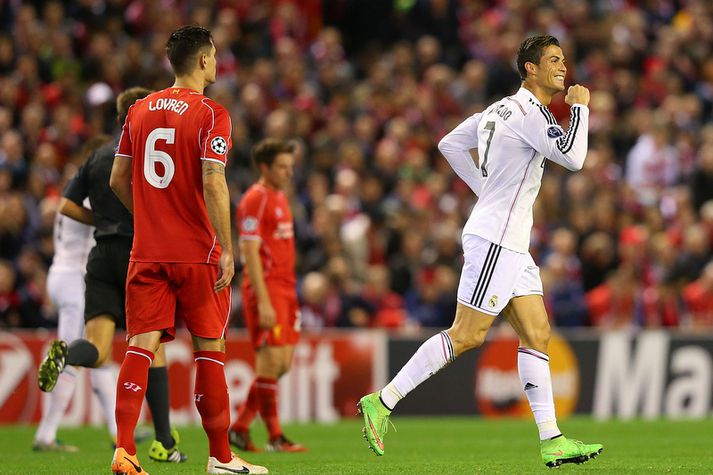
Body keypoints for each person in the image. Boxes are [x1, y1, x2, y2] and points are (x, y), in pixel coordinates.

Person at [357, 35, 604, 468]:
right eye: (552, 61)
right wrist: (580, 108)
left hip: (511, 242)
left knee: (537, 332)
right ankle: (383, 400)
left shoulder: (497, 110)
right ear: (529, 69)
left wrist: (483, 188)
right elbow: (574, 158)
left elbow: (449, 144)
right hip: (495, 240)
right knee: (468, 334)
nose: (563, 68)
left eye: (564, 60)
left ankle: (552, 440)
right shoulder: (530, 113)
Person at [108, 25, 267, 475]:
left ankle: (125, 450)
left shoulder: (138, 110)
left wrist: (152, 218)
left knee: (139, 347)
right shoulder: (212, 113)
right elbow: (214, 179)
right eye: (214, 56)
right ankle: (219, 458)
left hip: (148, 251)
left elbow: (118, 180)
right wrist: (229, 249)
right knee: (209, 349)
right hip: (198, 252)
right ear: (202, 61)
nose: (216, 64)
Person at [37, 88, 187, 463]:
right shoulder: (154, 153)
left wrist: (101, 221)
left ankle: (67, 355)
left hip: (100, 256)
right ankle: (164, 442)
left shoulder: (97, 156)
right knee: (155, 347)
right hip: (141, 255)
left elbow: (67, 204)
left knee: (99, 348)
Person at [33, 135, 117, 453]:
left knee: (99, 354)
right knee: (70, 355)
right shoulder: (89, 188)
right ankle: (46, 433)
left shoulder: (72, 186)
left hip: (63, 274)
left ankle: (116, 429)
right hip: (74, 279)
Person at [229, 138, 306, 453]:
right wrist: (262, 300)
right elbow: (248, 250)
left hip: (287, 287)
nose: (289, 172)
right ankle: (275, 436)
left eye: (290, 167)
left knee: (282, 363)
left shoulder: (279, 195)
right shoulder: (254, 200)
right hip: (267, 287)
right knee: (270, 360)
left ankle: (241, 427)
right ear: (264, 167)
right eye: (282, 167)